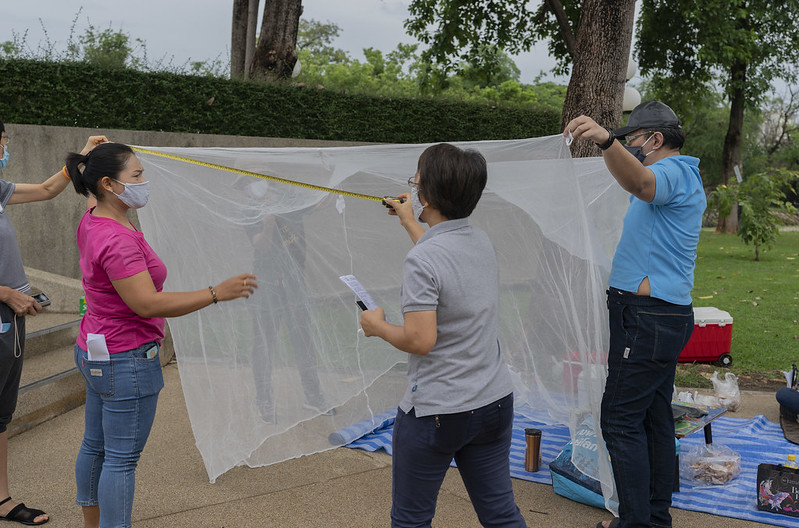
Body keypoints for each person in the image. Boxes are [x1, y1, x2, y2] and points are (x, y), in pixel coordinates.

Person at [65, 142, 258, 528]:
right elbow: (147, 304)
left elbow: (84, 184)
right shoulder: (118, 240)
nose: (144, 182)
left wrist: (86, 153)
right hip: (126, 359)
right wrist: (216, 293)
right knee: (120, 459)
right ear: (108, 184)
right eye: (136, 176)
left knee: (95, 445)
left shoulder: (94, 217)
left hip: (94, 349)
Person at [360, 143, 527, 528]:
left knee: (411, 520)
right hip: (493, 403)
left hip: (439, 412)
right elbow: (442, 259)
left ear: (427, 195)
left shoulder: (423, 259)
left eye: (415, 181)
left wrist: (377, 326)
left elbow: (420, 341)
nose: (413, 187)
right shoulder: (479, 241)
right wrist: (408, 220)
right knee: (502, 515)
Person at [564, 100, 706, 528]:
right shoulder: (683, 176)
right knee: (653, 417)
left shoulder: (672, 171)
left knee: (620, 420)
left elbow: (641, 183)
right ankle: (652, 518)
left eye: (634, 140)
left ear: (656, 140)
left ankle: (637, 523)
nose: (632, 147)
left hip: (647, 318)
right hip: (660, 316)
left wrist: (607, 141)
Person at [0, 124, 103, 526]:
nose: (4, 147)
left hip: (10, 321)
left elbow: (45, 190)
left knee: (1, 416)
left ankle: (2, 500)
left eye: (4, 140)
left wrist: (81, 155)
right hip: (7, 309)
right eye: (0, 140)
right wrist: (6, 293)